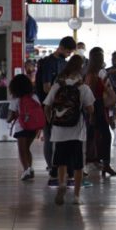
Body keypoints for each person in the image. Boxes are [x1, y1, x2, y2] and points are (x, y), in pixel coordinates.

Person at [43, 55, 95, 206]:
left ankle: (61, 185)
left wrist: (51, 122)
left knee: (61, 162)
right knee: (78, 165)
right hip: (77, 132)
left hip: (59, 132)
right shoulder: (83, 87)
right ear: (81, 69)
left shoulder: (57, 85)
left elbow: (47, 106)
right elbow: (90, 108)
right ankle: (77, 196)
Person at [35, 36, 76, 186]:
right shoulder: (47, 63)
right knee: (50, 137)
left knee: (60, 138)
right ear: (62, 48)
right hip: (48, 106)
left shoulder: (64, 63)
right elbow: (46, 87)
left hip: (61, 107)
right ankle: (52, 168)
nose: (69, 54)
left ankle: (60, 169)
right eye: (69, 51)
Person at [84, 47, 116, 177]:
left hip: (97, 107)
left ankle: (104, 164)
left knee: (98, 137)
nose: (103, 60)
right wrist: (92, 114)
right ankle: (100, 164)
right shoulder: (93, 76)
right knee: (93, 137)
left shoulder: (94, 74)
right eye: (101, 58)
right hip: (95, 107)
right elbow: (91, 94)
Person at [7, 74, 44, 181]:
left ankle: (26, 170)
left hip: (21, 127)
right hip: (34, 127)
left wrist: (8, 119)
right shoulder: (34, 97)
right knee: (27, 148)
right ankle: (30, 168)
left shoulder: (16, 99)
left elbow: (10, 116)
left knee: (22, 149)